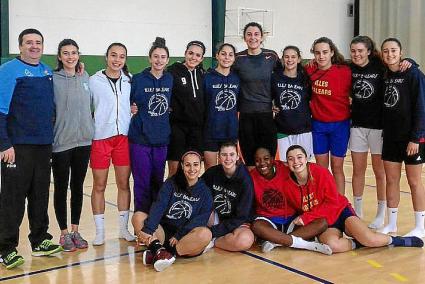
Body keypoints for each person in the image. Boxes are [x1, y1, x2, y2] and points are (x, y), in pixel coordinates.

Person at [284, 145, 424, 253]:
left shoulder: (320, 172)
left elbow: (333, 203)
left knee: (371, 239)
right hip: (323, 222)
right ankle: (358, 243)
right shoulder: (288, 184)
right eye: (291, 158)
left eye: (299, 157)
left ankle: (399, 240)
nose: (296, 162)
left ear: (306, 158)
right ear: (287, 163)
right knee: (333, 246)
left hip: (339, 211)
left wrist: (307, 218)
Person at [0, 28, 63, 269]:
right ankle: (5, 248)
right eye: (29, 43)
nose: (34, 46)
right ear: (20, 46)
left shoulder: (47, 71)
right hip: (17, 147)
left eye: (38, 42)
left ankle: (39, 240)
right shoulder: (8, 71)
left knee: (39, 195)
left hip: (43, 145)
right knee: (12, 199)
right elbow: (0, 111)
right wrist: (4, 144)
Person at [378, 38, 425, 238]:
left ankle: (420, 226)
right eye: (386, 51)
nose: (390, 54)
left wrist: (416, 138)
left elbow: (421, 107)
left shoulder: (413, 73)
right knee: (391, 180)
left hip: (412, 139)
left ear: (401, 52)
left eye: (393, 50)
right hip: (390, 137)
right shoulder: (385, 74)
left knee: (414, 182)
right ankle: (392, 223)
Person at [89, 42, 135, 245]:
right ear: (106, 57)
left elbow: (136, 104)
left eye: (122, 56)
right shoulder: (93, 81)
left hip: (123, 138)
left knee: (124, 184)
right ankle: (99, 232)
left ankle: (124, 229)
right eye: (113, 55)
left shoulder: (130, 81)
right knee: (99, 185)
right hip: (100, 138)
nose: (117, 60)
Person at [137, 150, 213, 272]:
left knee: (206, 234)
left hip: (184, 238)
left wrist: (179, 235)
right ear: (182, 166)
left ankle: (161, 253)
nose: (192, 169)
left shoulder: (205, 192)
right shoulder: (171, 183)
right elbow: (159, 205)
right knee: (138, 216)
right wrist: (149, 229)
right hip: (164, 232)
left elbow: (200, 221)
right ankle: (160, 251)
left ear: (201, 166)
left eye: (196, 164)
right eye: (188, 165)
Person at [52, 39, 94, 251]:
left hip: (84, 142)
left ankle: (75, 230)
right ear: (59, 57)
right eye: (66, 53)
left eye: (74, 53)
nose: (70, 57)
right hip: (61, 143)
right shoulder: (52, 79)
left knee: (77, 187)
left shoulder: (84, 76)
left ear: (78, 55)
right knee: (61, 188)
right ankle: (63, 234)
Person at [250, 147, 332, 255]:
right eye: (257, 160)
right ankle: (307, 245)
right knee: (257, 226)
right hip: (268, 220)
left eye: (266, 159)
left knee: (322, 223)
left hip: (292, 219)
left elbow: (304, 174)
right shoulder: (251, 177)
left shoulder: (285, 169)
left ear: (272, 159)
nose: (262, 163)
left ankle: (276, 242)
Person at [129, 37, 172, 233]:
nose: (159, 60)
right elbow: (126, 102)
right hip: (140, 139)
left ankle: (156, 221)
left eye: (163, 57)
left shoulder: (170, 79)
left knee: (158, 182)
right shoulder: (137, 79)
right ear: (149, 58)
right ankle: (141, 223)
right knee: (142, 182)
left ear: (168, 60)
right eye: (156, 56)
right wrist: (131, 108)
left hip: (161, 140)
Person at [306, 37, 351, 194]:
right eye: (317, 53)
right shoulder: (309, 70)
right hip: (319, 125)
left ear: (332, 52)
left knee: (337, 167)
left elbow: (368, 65)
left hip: (340, 125)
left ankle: (341, 205)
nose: (321, 56)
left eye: (325, 52)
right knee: (321, 169)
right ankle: (323, 201)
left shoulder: (345, 71)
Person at [232, 22, 280, 169]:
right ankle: (251, 191)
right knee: (249, 159)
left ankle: (269, 191)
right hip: (245, 115)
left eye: (256, 34)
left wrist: (277, 102)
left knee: (268, 158)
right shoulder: (238, 58)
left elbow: (281, 80)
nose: (253, 37)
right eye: (249, 34)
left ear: (262, 36)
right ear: (244, 38)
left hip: (266, 114)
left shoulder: (271, 56)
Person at [202, 141, 254, 251]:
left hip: (236, 223)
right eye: (224, 155)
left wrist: (213, 232)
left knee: (245, 240)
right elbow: (198, 192)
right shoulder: (212, 173)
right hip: (215, 219)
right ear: (219, 157)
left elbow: (241, 216)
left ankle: (214, 241)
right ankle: (208, 237)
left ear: (237, 157)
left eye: (231, 154)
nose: (228, 158)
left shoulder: (245, 180)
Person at [167, 41, 206, 176]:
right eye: (190, 53)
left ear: (201, 58)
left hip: (197, 129)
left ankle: (190, 196)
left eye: (197, 55)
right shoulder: (173, 72)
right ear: (185, 53)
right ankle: (172, 196)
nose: (193, 57)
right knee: (175, 170)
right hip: (177, 128)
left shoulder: (202, 74)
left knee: (193, 171)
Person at [272, 45, 312, 161]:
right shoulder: (275, 78)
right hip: (282, 129)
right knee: (285, 164)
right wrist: (271, 106)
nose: (290, 60)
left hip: (303, 130)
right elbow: (268, 97)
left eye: (293, 57)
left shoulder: (305, 79)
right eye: (286, 57)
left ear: (299, 59)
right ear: (282, 59)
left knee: (303, 164)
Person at [203, 43, 240, 170]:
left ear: (234, 58)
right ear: (217, 56)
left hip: (230, 131)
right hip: (210, 131)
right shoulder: (207, 77)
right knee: (211, 170)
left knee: (228, 169)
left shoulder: (237, 78)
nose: (226, 57)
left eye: (230, 55)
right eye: (223, 54)